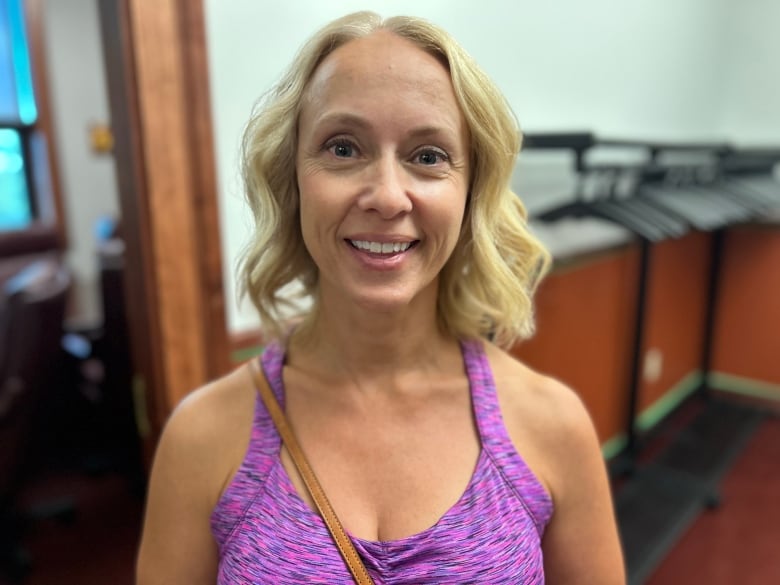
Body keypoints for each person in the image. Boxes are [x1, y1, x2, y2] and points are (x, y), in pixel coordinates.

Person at [136, 11, 625, 585]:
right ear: (293, 181)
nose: (388, 197)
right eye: (343, 148)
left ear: (471, 194)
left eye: (428, 156)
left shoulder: (550, 426)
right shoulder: (203, 437)